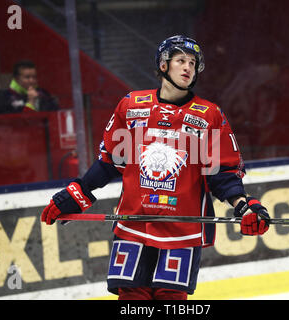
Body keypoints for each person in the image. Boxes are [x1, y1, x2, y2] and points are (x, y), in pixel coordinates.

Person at [40, 35, 270, 300]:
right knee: (132, 301)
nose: (188, 68)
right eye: (181, 60)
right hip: (133, 226)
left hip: (181, 231)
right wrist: (80, 191)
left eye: (193, 63)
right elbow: (111, 161)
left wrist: (244, 204)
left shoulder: (210, 115)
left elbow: (222, 173)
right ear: (163, 65)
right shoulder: (132, 106)